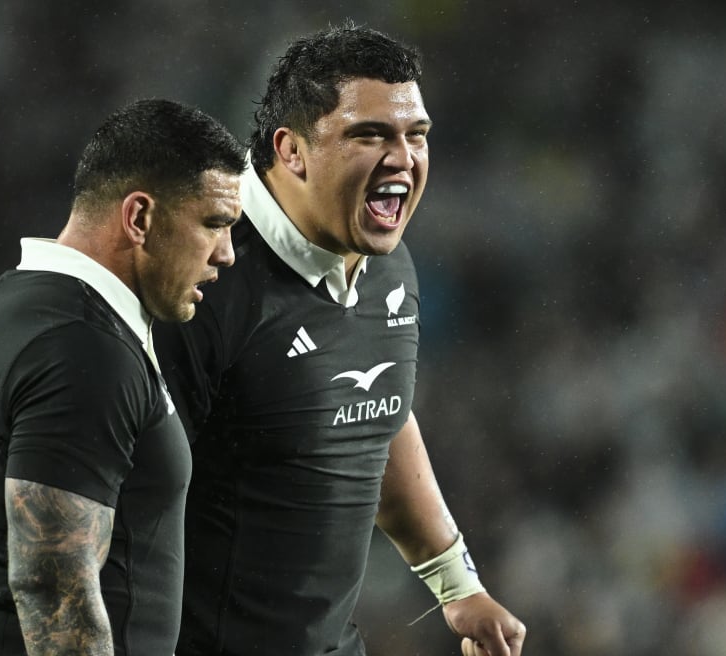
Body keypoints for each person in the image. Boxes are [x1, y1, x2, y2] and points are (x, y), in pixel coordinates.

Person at [153, 23, 527, 656]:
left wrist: (459, 586)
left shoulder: (388, 264)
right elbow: (120, 497)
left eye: (417, 136)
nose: (403, 159)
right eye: (370, 135)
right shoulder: (198, 280)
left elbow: (376, 411)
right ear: (291, 150)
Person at [0, 98, 246, 656]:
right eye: (213, 224)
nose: (225, 254)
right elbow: (52, 588)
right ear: (139, 218)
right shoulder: (84, 345)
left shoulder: (21, 298)